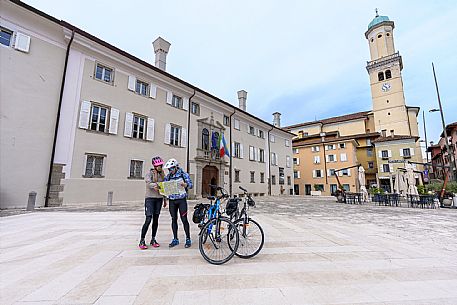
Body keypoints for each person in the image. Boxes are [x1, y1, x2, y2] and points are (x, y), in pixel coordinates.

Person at [163, 158, 193, 248]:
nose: (170, 170)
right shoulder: (168, 176)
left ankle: (188, 238)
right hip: (172, 200)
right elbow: (164, 187)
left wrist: (186, 185)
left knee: (184, 219)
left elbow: (191, 185)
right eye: (169, 169)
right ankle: (175, 239)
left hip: (181, 200)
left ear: (176, 167)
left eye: (171, 168)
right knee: (173, 219)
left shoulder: (184, 174)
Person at [139, 156, 167, 250]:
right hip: (150, 199)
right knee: (148, 219)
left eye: (161, 165)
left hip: (159, 199)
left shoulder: (162, 174)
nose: (160, 167)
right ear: (155, 166)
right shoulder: (150, 173)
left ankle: (153, 239)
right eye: (159, 165)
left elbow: (164, 186)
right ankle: (142, 240)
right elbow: (148, 183)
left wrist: (165, 199)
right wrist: (155, 185)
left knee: (156, 220)